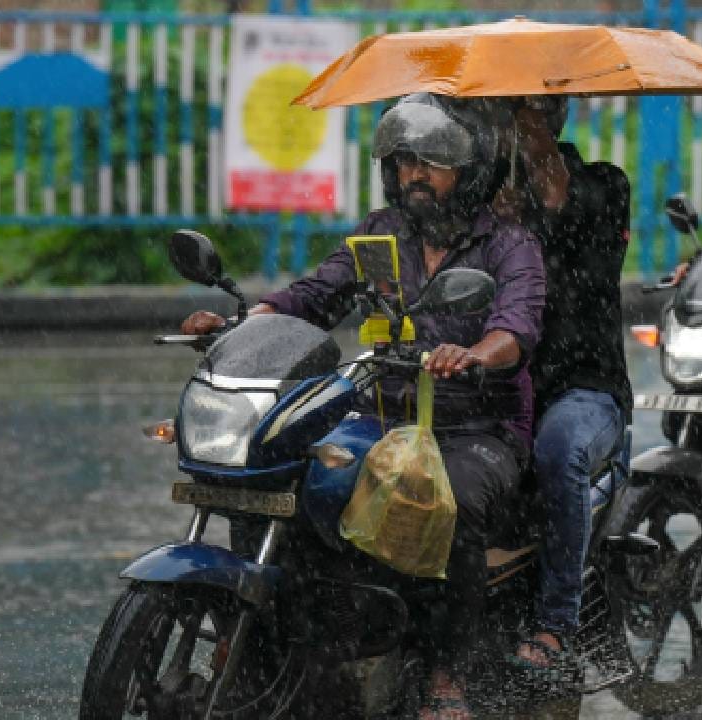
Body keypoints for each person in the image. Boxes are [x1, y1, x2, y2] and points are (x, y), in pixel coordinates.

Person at [182, 93, 545, 720]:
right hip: (381, 415)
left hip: (475, 425)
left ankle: (446, 673)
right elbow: (314, 295)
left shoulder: (509, 245)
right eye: (404, 161)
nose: (414, 175)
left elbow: (517, 328)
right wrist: (244, 321)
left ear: (469, 170)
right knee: (282, 476)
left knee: (448, 499)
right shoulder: (382, 234)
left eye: (431, 162)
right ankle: (287, 641)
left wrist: (474, 353)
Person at [490, 97, 633, 681]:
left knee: (560, 448)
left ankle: (555, 625)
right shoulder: (480, 191)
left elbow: (558, 198)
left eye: (536, 106)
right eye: (510, 107)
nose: (524, 115)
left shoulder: (603, 184)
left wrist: (527, 128)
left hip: (583, 388)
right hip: (495, 382)